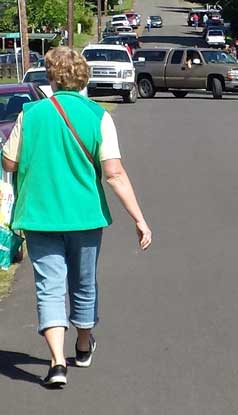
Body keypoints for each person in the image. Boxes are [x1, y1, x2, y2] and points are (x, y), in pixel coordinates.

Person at [2, 46, 152, 388]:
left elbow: (9, 163)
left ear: (51, 78)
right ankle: (82, 345)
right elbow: (113, 173)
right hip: (85, 216)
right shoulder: (98, 116)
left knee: (49, 287)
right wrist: (139, 219)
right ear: (84, 77)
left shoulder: (30, 114)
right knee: (83, 283)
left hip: (39, 216)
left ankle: (56, 364)